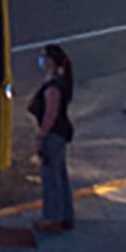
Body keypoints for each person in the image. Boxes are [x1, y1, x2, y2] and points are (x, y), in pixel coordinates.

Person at [28, 44, 76, 232]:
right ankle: (65, 215)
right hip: (60, 134)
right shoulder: (57, 81)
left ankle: (52, 218)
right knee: (59, 175)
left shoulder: (53, 87)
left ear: (50, 61)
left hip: (53, 136)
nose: (41, 60)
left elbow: (50, 114)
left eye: (44, 56)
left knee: (51, 178)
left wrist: (41, 136)